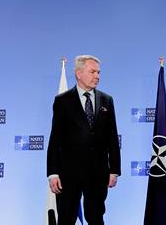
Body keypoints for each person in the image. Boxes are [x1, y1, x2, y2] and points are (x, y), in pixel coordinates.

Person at [47, 55, 121, 225]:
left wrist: (114, 169)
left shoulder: (107, 100)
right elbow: (55, 139)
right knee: (66, 218)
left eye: (99, 72)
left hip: (98, 173)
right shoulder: (62, 101)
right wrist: (53, 172)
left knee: (96, 217)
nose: (97, 76)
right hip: (68, 173)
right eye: (93, 72)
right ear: (79, 74)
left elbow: (112, 137)